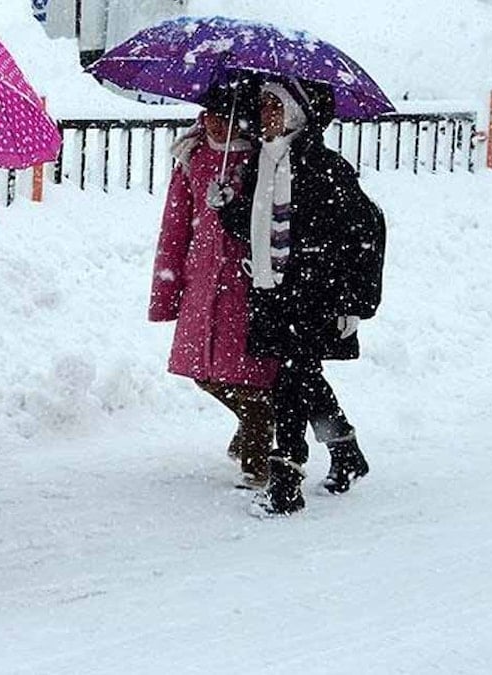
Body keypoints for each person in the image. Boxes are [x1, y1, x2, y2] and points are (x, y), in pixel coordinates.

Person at [215, 78, 385, 516]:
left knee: (290, 382)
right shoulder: (260, 164)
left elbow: (364, 233)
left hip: (315, 291)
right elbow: (256, 227)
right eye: (262, 105)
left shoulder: (325, 167)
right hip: (272, 290)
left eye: (274, 105)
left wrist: (354, 302)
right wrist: (227, 206)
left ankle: (287, 480)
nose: (265, 113)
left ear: (296, 112)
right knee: (302, 375)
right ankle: (345, 449)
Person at [150, 80, 280, 488]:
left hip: (247, 283)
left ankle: (256, 460)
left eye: (225, 116)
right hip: (201, 282)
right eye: (209, 114)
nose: (215, 123)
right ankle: (257, 422)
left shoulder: (263, 160)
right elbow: (174, 229)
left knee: (249, 374)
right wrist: (166, 291)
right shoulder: (193, 159)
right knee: (203, 370)